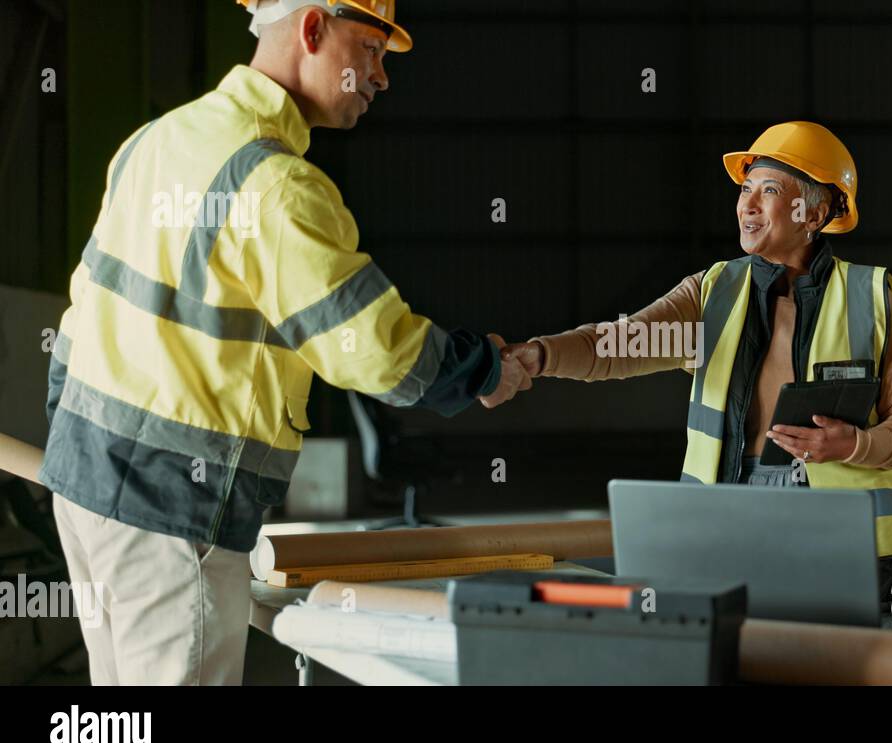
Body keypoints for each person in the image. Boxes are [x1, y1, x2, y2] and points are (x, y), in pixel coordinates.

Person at [38, 0, 530, 685]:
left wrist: (68, 441)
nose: (381, 77)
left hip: (84, 487)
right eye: (372, 50)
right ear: (311, 30)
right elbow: (375, 349)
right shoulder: (278, 186)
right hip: (171, 512)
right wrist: (480, 371)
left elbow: (83, 305)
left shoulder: (156, 139)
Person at [504, 121, 892, 614]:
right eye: (745, 189)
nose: (747, 205)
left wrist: (854, 444)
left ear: (814, 213)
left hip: (838, 526)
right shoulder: (713, 293)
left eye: (769, 190)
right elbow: (616, 345)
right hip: (728, 509)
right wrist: (539, 355)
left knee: (828, 660)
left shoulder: (870, 298)